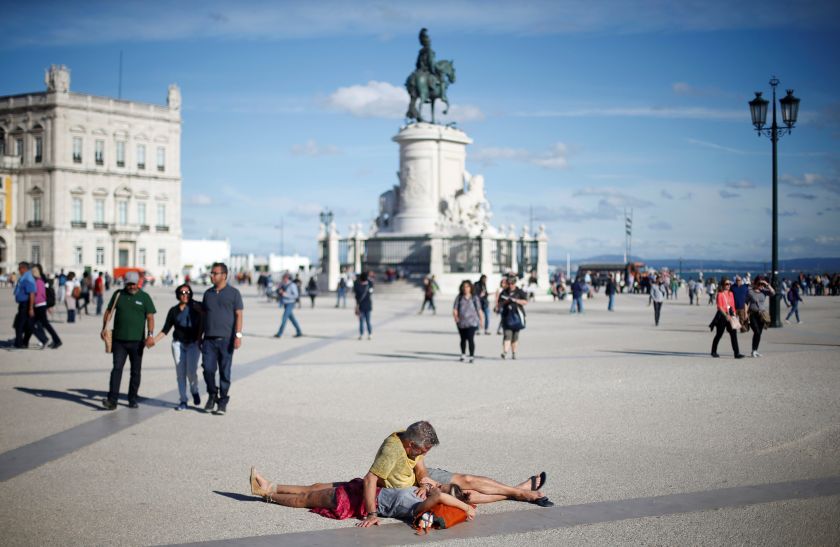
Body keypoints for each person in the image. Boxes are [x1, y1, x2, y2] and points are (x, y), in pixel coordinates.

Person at [360, 422, 551, 529]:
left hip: (419, 481)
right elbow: (370, 479)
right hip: (406, 489)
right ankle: (519, 491)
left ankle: (518, 492)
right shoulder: (391, 450)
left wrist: (425, 484)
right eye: (423, 450)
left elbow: (420, 469)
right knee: (465, 494)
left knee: (467, 480)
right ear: (410, 445)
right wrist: (372, 514)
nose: (425, 453)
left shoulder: (411, 440)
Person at [249, 467, 474, 525]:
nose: (435, 486)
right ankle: (272, 485)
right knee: (314, 487)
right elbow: (441, 495)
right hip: (363, 490)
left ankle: (267, 495)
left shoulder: (420, 508)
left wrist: (466, 508)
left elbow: (442, 499)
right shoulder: (421, 494)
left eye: (440, 488)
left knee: (305, 500)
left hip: (356, 502)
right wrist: (428, 488)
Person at [100, 271, 156, 409]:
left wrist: (150, 335)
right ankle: (112, 400)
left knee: (135, 371)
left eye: (134, 284)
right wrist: (104, 328)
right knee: (117, 369)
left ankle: (132, 398)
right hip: (119, 340)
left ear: (138, 283)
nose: (131, 286)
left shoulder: (145, 297)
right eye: (128, 284)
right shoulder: (118, 294)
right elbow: (109, 311)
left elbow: (150, 317)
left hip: (137, 342)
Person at [201, 262, 244, 416]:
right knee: (208, 370)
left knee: (225, 372)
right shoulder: (208, 294)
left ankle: (223, 401)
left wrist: (238, 336)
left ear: (224, 275)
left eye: (215, 273)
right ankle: (212, 394)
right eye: (211, 273)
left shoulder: (234, 293)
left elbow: (239, 315)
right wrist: (200, 336)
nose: (212, 276)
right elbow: (203, 316)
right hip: (209, 340)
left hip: (227, 340)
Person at [153, 283, 204, 410]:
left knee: (191, 372)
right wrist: (153, 340)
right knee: (180, 373)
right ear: (178, 295)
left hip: (193, 344)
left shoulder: (196, 307)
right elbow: (166, 329)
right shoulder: (173, 311)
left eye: (187, 293)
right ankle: (183, 400)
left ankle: (194, 390)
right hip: (178, 344)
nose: (185, 295)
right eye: (182, 293)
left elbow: (207, 317)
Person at [13, 261, 48, 349]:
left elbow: (32, 293)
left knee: (19, 324)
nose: (18, 270)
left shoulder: (27, 278)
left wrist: (30, 308)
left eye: (19, 268)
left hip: (26, 304)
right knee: (28, 324)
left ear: (24, 268)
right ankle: (42, 339)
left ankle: (19, 343)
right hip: (25, 304)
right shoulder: (25, 277)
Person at [28, 264, 61, 349]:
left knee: (34, 324)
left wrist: (32, 305)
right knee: (42, 324)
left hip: (39, 306)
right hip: (42, 305)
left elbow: (37, 295)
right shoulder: (41, 281)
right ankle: (52, 340)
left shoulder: (36, 282)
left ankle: (47, 340)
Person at [710, 278, 744, 359]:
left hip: (730, 315)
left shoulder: (731, 294)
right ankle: (713, 351)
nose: (728, 285)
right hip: (722, 316)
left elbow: (732, 305)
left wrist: (734, 314)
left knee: (733, 334)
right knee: (719, 334)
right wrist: (726, 316)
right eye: (726, 284)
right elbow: (719, 307)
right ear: (722, 285)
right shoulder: (720, 294)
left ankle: (737, 353)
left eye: (729, 284)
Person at [453, 280, 483, 363]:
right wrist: (456, 317)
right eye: (464, 286)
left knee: (470, 338)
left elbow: (479, 310)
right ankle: (463, 354)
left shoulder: (474, 297)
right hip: (461, 322)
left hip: (472, 322)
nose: (465, 288)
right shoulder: (459, 297)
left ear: (470, 288)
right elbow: (455, 309)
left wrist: (481, 320)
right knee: (463, 339)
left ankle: (471, 356)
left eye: (467, 286)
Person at [499, 275, 528, 360]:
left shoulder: (519, 292)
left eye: (512, 283)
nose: (511, 285)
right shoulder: (504, 292)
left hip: (517, 316)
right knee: (507, 335)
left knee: (515, 336)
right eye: (509, 283)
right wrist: (506, 301)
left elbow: (525, 302)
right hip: (506, 316)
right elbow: (499, 303)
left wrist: (516, 301)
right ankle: (504, 352)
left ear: (515, 283)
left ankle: (514, 353)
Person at [746, 277, 775, 358]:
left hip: (762, 315)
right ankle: (753, 351)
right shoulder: (750, 292)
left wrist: (767, 284)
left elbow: (773, 293)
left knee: (759, 333)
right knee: (757, 332)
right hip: (752, 314)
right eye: (759, 284)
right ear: (755, 283)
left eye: (762, 284)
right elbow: (745, 302)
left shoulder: (764, 291)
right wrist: (745, 313)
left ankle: (755, 350)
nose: (761, 285)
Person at [275, 272, 303, 338]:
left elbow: (296, 295)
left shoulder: (292, 285)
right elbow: (279, 292)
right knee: (292, 319)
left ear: (287, 278)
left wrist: (286, 294)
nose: (283, 280)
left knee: (284, 318)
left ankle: (279, 333)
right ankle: (299, 332)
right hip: (285, 303)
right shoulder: (282, 284)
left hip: (290, 303)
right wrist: (279, 290)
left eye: (284, 278)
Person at [354, 271, 374, 340]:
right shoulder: (369, 285)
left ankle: (361, 334)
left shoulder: (358, 286)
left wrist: (356, 306)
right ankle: (370, 334)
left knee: (361, 321)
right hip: (368, 306)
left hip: (361, 306)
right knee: (368, 321)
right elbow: (371, 291)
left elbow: (356, 297)